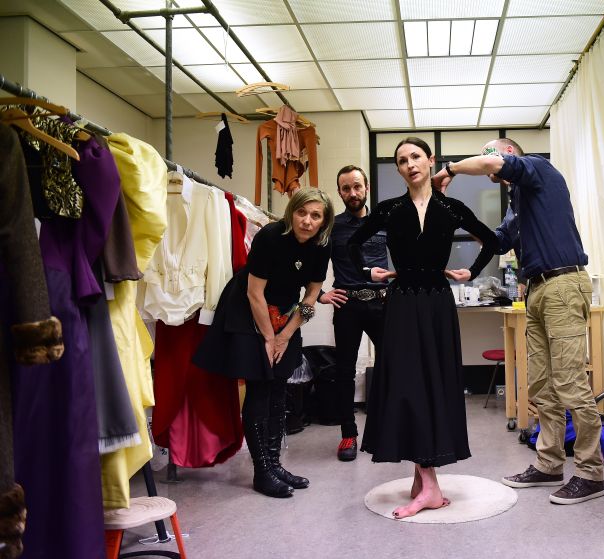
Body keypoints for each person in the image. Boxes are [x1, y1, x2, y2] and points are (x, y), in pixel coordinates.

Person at [432, 138, 604, 505]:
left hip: (563, 283)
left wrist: (449, 169)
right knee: (541, 384)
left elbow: (489, 164)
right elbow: (496, 241)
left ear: (510, 155)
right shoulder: (519, 204)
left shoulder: (538, 169)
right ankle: (549, 464)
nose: (489, 165)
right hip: (538, 291)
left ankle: (591, 473)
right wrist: (469, 265)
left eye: (491, 154)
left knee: (571, 383)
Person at [348, 137, 499, 519]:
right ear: (398, 169)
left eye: (416, 156)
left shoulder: (451, 208)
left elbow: (492, 240)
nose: (410, 164)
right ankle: (425, 482)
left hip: (436, 302)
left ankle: (427, 483)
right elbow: (351, 246)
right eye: (402, 160)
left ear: (430, 161)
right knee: (406, 383)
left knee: (433, 381)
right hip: (401, 303)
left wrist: (472, 271)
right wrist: (371, 271)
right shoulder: (389, 210)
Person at [193, 188, 334, 498]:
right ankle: (262, 472)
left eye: (315, 216)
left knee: (279, 385)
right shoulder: (270, 236)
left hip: (286, 312)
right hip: (249, 308)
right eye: (301, 213)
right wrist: (269, 338)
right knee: (260, 384)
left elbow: (311, 297)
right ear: (291, 212)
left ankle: (274, 464)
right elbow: (254, 293)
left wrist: (285, 335)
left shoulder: (321, 247)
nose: (307, 221)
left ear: (324, 222)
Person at [318, 165, 387, 462]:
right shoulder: (332, 227)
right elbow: (311, 265)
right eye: (346, 188)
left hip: (381, 304)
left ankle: (386, 428)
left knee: (392, 366)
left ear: (366, 187)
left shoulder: (384, 222)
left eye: (357, 186)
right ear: (340, 192)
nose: (352, 193)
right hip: (347, 306)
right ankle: (349, 434)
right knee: (344, 371)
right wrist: (321, 295)